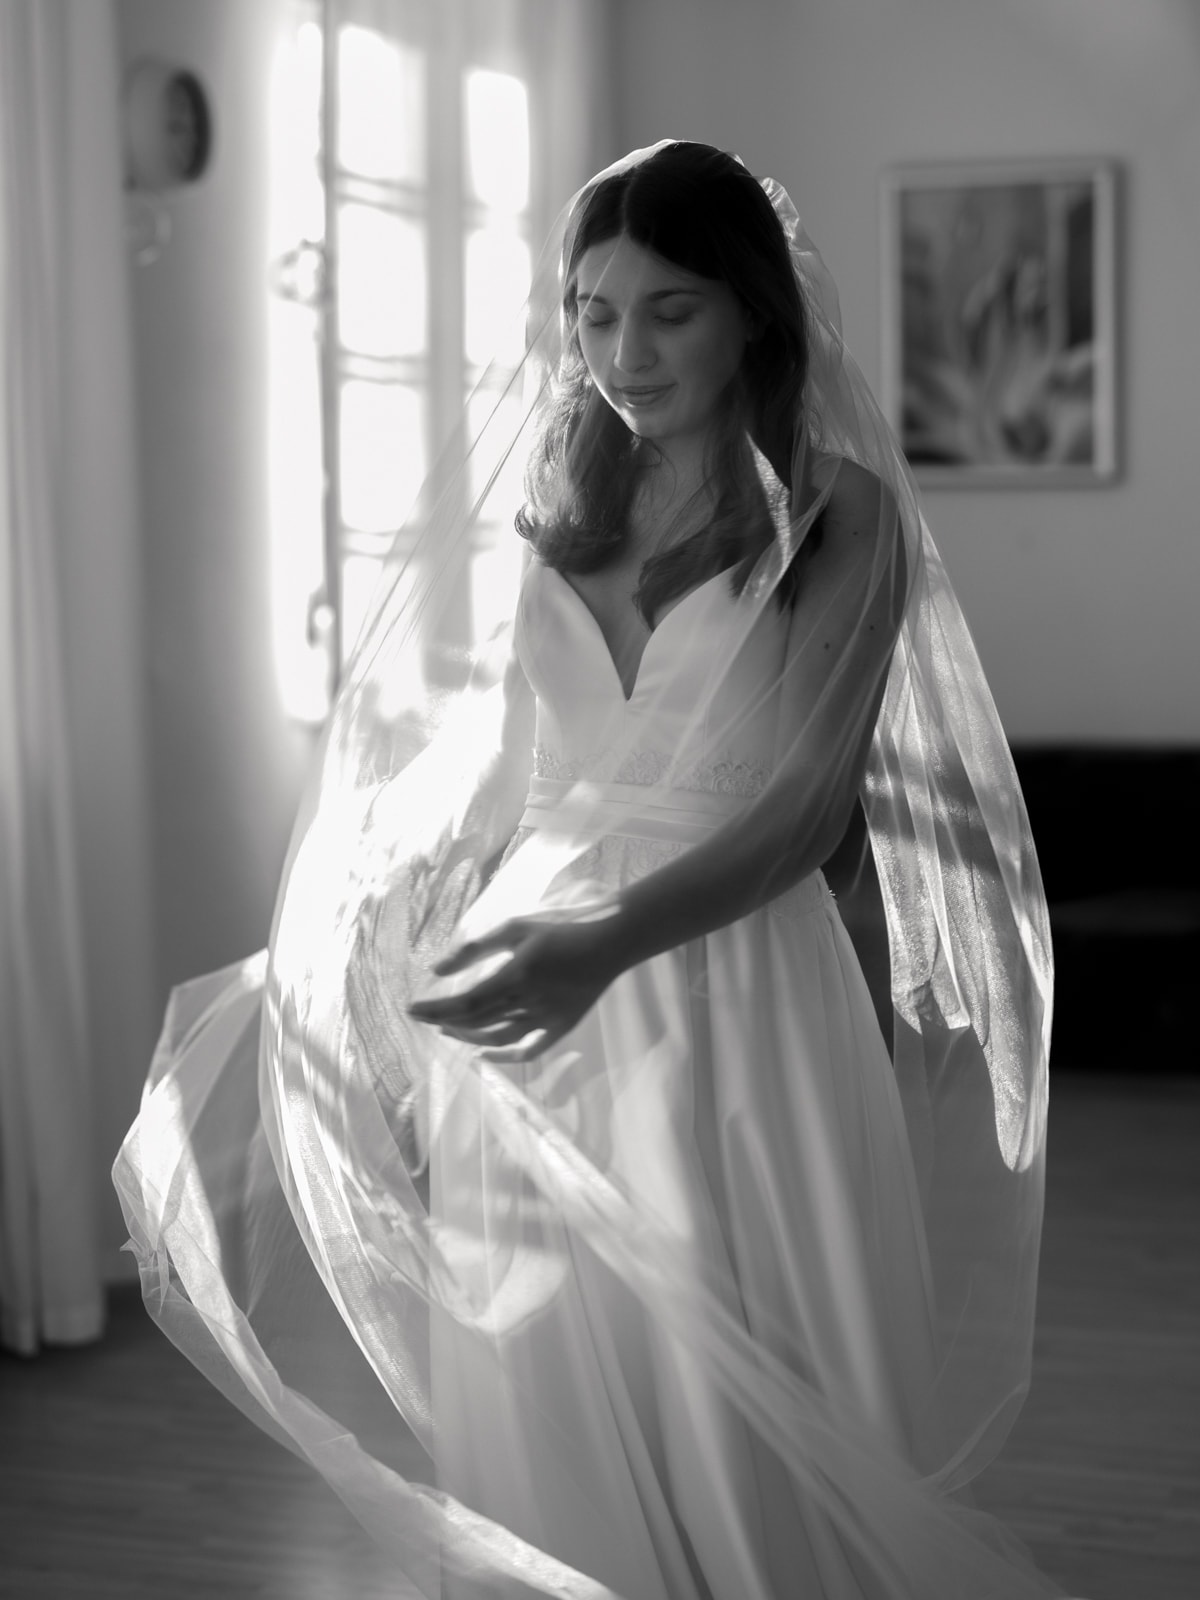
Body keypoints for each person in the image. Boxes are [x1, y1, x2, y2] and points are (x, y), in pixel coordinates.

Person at [116, 143, 1065, 1599]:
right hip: (531, 1016)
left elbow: (807, 813)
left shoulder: (843, 519)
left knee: (742, 1383)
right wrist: (407, 991)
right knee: (549, 1378)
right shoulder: (554, 512)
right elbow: (507, 787)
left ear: (752, 309)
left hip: (732, 995)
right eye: (593, 311)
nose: (624, 353)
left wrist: (604, 944)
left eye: (670, 310)